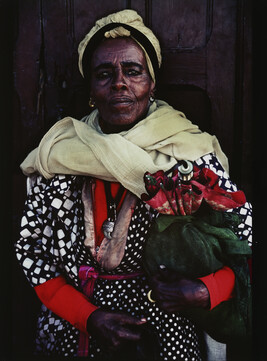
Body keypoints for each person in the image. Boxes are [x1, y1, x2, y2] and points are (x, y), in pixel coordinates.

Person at [15, 9, 252, 361]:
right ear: (92, 89)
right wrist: (89, 317)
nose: (120, 83)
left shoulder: (188, 153)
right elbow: (31, 251)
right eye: (104, 74)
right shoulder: (59, 155)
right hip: (76, 323)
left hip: (166, 322)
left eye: (133, 71)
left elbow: (245, 241)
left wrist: (208, 289)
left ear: (152, 83)